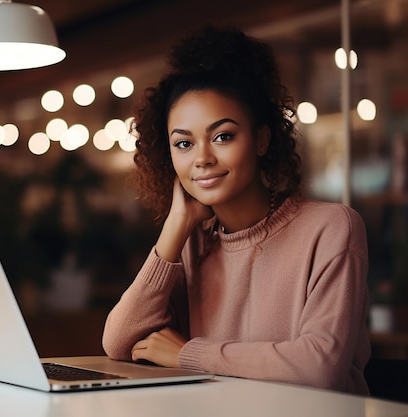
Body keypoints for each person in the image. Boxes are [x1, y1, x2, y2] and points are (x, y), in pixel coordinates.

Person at [102, 25, 370, 395]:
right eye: (183, 143)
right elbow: (118, 342)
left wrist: (188, 354)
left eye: (223, 136)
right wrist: (175, 227)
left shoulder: (331, 227)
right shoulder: (192, 243)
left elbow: (318, 368)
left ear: (261, 140)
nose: (202, 159)